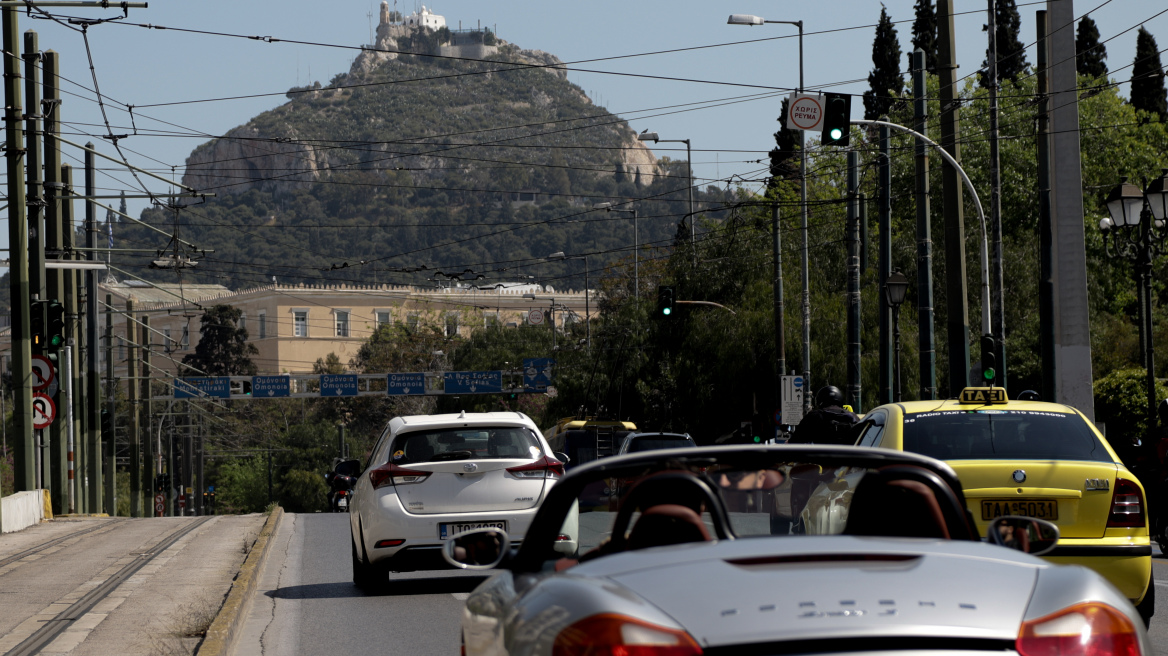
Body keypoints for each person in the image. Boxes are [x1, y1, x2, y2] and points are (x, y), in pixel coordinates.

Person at [789, 385, 860, 445]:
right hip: (850, 460)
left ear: (819, 400)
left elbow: (795, 442)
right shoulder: (853, 417)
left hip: (819, 460)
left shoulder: (813, 417)